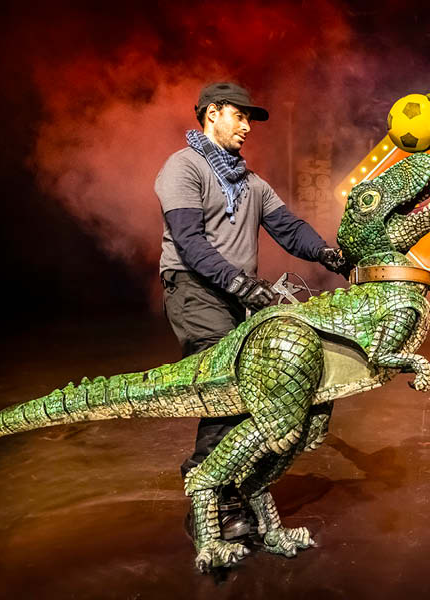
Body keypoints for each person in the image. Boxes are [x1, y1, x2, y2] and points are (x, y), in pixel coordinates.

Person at [155, 82, 349, 539]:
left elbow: (289, 228)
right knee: (225, 390)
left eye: (250, 119)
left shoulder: (251, 182)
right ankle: (210, 503)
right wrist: (238, 282)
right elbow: (189, 242)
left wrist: (328, 254)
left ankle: (229, 488)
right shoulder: (183, 167)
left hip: (231, 296)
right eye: (239, 116)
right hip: (194, 291)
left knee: (247, 390)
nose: (247, 126)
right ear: (212, 113)